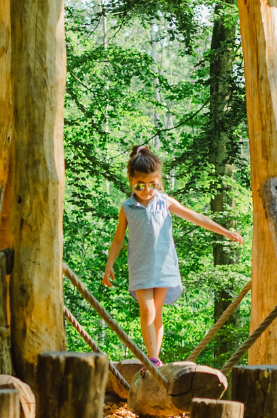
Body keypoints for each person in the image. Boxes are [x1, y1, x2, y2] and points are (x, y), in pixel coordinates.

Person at [101, 146, 243, 364]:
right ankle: (152, 359)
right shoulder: (127, 207)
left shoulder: (164, 202)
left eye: (153, 184)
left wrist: (225, 231)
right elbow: (118, 239)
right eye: (140, 185)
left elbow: (195, 217)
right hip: (140, 267)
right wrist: (109, 265)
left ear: (158, 181)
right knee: (147, 311)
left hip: (164, 267)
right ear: (131, 181)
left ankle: (154, 360)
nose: (147, 190)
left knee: (156, 314)